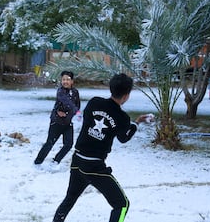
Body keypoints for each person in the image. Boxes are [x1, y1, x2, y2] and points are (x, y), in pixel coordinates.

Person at [52, 73, 138, 222]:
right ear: (126, 96)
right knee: (122, 204)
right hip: (94, 166)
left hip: (77, 160)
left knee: (70, 198)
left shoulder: (94, 102)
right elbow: (123, 138)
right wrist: (135, 125)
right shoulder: (123, 118)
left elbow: (88, 120)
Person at [34, 71, 80, 165]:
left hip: (67, 123)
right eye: (63, 79)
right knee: (49, 143)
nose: (65, 81)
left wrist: (71, 113)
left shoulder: (75, 92)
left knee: (68, 144)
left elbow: (77, 105)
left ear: (72, 81)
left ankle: (56, 161)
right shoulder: (60, 91)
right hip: (56, 122)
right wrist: (73, 110)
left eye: (68, 79)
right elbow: (67, 102)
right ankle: (38, 162)